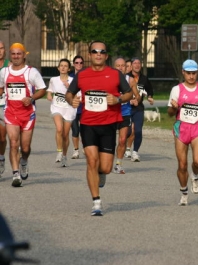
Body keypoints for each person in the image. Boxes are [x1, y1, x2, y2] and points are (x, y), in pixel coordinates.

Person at [65, 41, 133, 216]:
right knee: (91, 161)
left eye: (102, 51)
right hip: (88, 124)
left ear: (106, 55)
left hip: (109, 124)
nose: (98, 54)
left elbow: (129, 93)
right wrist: (70, 100)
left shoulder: (115, 74)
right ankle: (96, 201)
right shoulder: (82, 75)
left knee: (106, 167)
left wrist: (118, 100)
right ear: (89, 55)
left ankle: (102, 174)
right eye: (95, 51)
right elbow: (69, 93)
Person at [0, 43, 47, 187]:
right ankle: (15, 174)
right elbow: (1, 87)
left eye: (18, 54)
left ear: (24, 55)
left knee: (25, 148)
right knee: (14, 143)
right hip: (10, 112)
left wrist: (32, 98)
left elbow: (42, 89)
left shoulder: (31, 72)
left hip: (27, 114)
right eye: (13, 54)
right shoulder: (4, 72)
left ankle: (24, 161)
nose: (15, 56)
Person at [167, 59, 198, 206]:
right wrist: (174, 108)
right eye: (188, 73)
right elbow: (169, 113)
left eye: (194, 73)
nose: (191, 76)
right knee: (182, 164)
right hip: (182, 128)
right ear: (183, 72)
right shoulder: (177, 89)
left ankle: (195, 175)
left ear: (197, 73)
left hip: (197, 127)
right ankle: (184, 192)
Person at [46, 59, 76, 167]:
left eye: (65, 66)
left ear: (69, 69)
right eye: (61, 66)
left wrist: (69, 88)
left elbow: (78, 95)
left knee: (65, 134)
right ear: (58, 68)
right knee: (59, 128)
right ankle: (59, 152)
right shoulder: (53, 79)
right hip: (57, 107)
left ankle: (64, 155)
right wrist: (49, 94)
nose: (63, 67)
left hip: (69, 109)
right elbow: (50, 90)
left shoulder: (73, 80)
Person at [112, 57, 139, 174]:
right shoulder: (109, 80)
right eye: (118, 66)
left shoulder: (131, 80)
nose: (120, 68)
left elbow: (137, 95)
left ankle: (118, 164)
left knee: (123, 140)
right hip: (111, 113)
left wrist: (135, 99)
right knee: (109, 140)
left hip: (125, 113)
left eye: (123, 65)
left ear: (126, 67)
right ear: (114, 67)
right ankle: (105, 160)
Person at [125, 57, 154, 162]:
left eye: (139, 63)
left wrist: (150, 97)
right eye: (135, 63)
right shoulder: (126, 77)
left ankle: (135, 152)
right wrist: (129, 100)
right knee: (127, 131)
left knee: (137, 131)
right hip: (127, 108)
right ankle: (125, 148)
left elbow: (149, 90)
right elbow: (120, 92)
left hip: (138, 108)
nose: (137, 65)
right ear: (131, 65)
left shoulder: (144, 79)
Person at [70, 55, 84, 159]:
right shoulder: (70, 77)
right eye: (77, 63)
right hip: (73, 108)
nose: (79, 64)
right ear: (74, 64)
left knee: (85, 130)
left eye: (81, 63)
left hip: (84, 107)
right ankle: (76, 150)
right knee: (75, 130)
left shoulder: (86, 76)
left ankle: (85, 147)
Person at [0, 41, 11, 177]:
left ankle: (1, 158)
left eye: (1, 48)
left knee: (2, 138)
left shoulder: (10, 65)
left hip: (6, 105)